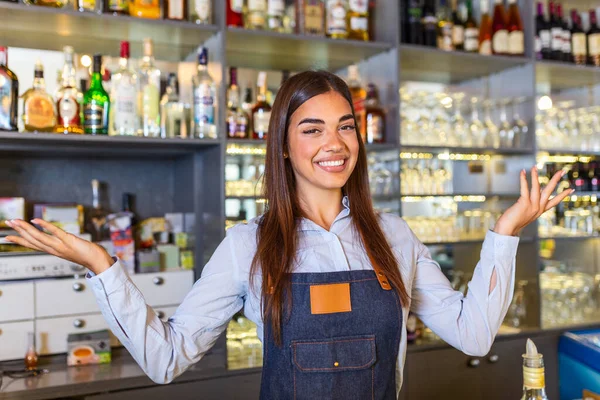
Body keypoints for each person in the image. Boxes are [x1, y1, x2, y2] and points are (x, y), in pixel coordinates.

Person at [4, 70, 572, 399]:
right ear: (283, 144)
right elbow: (166, 359)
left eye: (346, 126)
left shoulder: (395, 237)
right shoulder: (248, 245)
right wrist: (103, 265)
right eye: (313, 128)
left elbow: (474, 336)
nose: (336, 142)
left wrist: (505, 231)